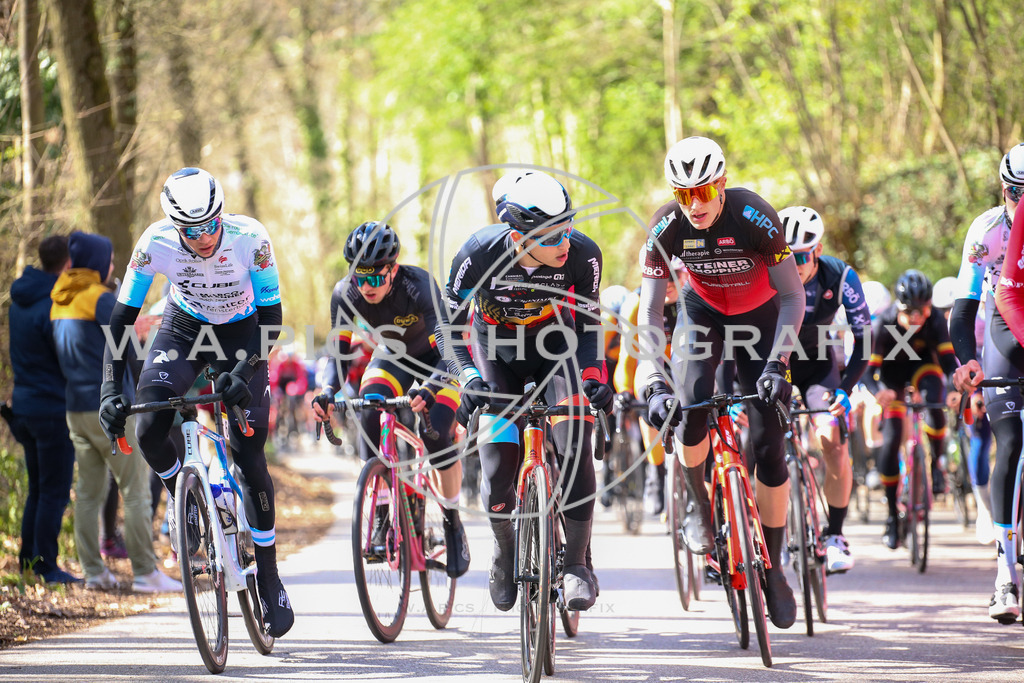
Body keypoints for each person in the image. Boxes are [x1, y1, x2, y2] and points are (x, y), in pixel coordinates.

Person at [97, 167, 293, 637]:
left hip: (243, 332)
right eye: (191, 230)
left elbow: (273, 317)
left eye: (210, 225)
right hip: (184, 328)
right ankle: (182, 496)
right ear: (174, 227)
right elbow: (121, 320)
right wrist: (108, 390)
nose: (203, 237)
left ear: (222, 214)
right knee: (148, 427)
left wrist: (244, 373)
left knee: (249, 456)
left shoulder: (251, 238)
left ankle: (268, 576)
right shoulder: (154, 242)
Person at [638, 136, 801, 629]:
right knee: (690, 410)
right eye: (684, 194)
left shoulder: (755, 216)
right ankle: (697, 505)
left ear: (723, 183)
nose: (696, 204)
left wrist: (778, 364)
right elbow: (650, 311)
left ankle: (774, 568)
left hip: (761, 319)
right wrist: (654, 377)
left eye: (705, 191)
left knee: (769, 445)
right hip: (702, 315)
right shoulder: (665, 226)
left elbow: (792, 296)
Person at [435, 170, 611, 612]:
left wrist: (594, 376)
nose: (564, 242)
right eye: (551, 237)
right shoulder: (477, 254)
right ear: (519, 237)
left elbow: (590, 325)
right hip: (497, 356)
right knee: (498, 470)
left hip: (557, 350)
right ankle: (504, 546)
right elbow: (447, 330)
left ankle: (576, 563)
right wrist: (468, 378)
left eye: (567, 227)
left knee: (575, 443)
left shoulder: (583, 253)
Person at [311, 221, 470, 578]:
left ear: (393, 269)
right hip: (392, 356)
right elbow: (338, 354)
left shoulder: (419, 285)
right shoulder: (345, 293)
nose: (366, 286)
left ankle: (452, 520)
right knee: (369, 408)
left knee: (436, 434)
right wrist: (328, 391)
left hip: (436, 360)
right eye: (359, 277)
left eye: (375, 277)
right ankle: (382, 510)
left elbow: (450, 351)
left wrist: (431, 388)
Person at [51, 231, 181, 593]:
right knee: (136, 489)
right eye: (108, 260)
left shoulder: (59, 299)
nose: (112, 266)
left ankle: (94, 572)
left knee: (89, 492)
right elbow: (128, 352)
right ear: (96, 262)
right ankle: (145, 573)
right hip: (112, 411)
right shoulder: (102, 299)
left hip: (75, 409)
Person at [778, 206, 870, 573]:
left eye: (801, 257)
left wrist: (846, 389)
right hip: (773, 364)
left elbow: (864, 339)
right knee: (756, 443)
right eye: (785, 257)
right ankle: (767, 532)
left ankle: (835, 535)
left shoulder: (840, 276)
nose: (793, 265)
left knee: (832, 438)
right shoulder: (764, 275)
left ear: (817, 251)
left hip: (818, 365)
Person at [954, 142, 1024, 622]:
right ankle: (1004, 574)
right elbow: (963, 309)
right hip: (1003, 325)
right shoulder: (987, 232)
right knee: (1011, 441)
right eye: (1018, 193)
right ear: (1004, 190)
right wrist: (967, 360)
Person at [4, 235, 79, 585]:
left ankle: (28, 562)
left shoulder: (19, 300)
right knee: (54, 491)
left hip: (24, 406)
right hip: (51, 409)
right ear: (67, 264)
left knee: (38, 488)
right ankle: (46, 565)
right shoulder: (55, 304)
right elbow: (66, 356)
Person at [864, 269, 957, 550]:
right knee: (891, 439)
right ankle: (893, 515)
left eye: (923, 311)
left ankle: (937, 465)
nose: (917, 318)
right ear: (898, 307)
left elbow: (948, 363)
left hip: (923, 369)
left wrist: (954, 389)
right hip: (891, 378)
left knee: (934, 400)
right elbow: (868, 371)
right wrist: (878, 392)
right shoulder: (883, 324)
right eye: (909, 312)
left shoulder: (936, 320)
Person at [612, 250, 688, 516]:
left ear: (686, 274)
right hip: (652, 364)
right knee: (647, 397)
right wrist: (624, 391)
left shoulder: (696, 297)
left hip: (686, 363)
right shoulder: (636, 303)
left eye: (675, 275)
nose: (668, 282)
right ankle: (657, 472)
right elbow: (627, 358)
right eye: (661, 275)